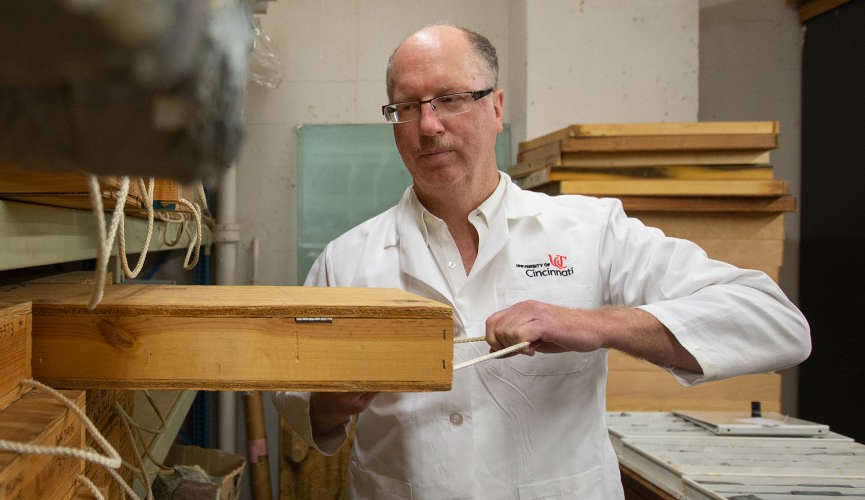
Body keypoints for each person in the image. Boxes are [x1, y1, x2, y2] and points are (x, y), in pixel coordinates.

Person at [272, 23, 811, 499]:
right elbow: (297, 404)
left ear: (496, 108)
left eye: (451, 98)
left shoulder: (591, 231)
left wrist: (595, 324)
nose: (428, 125)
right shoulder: (347, 258)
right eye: (407, 106)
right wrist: (330, 403)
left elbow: (775, 323)